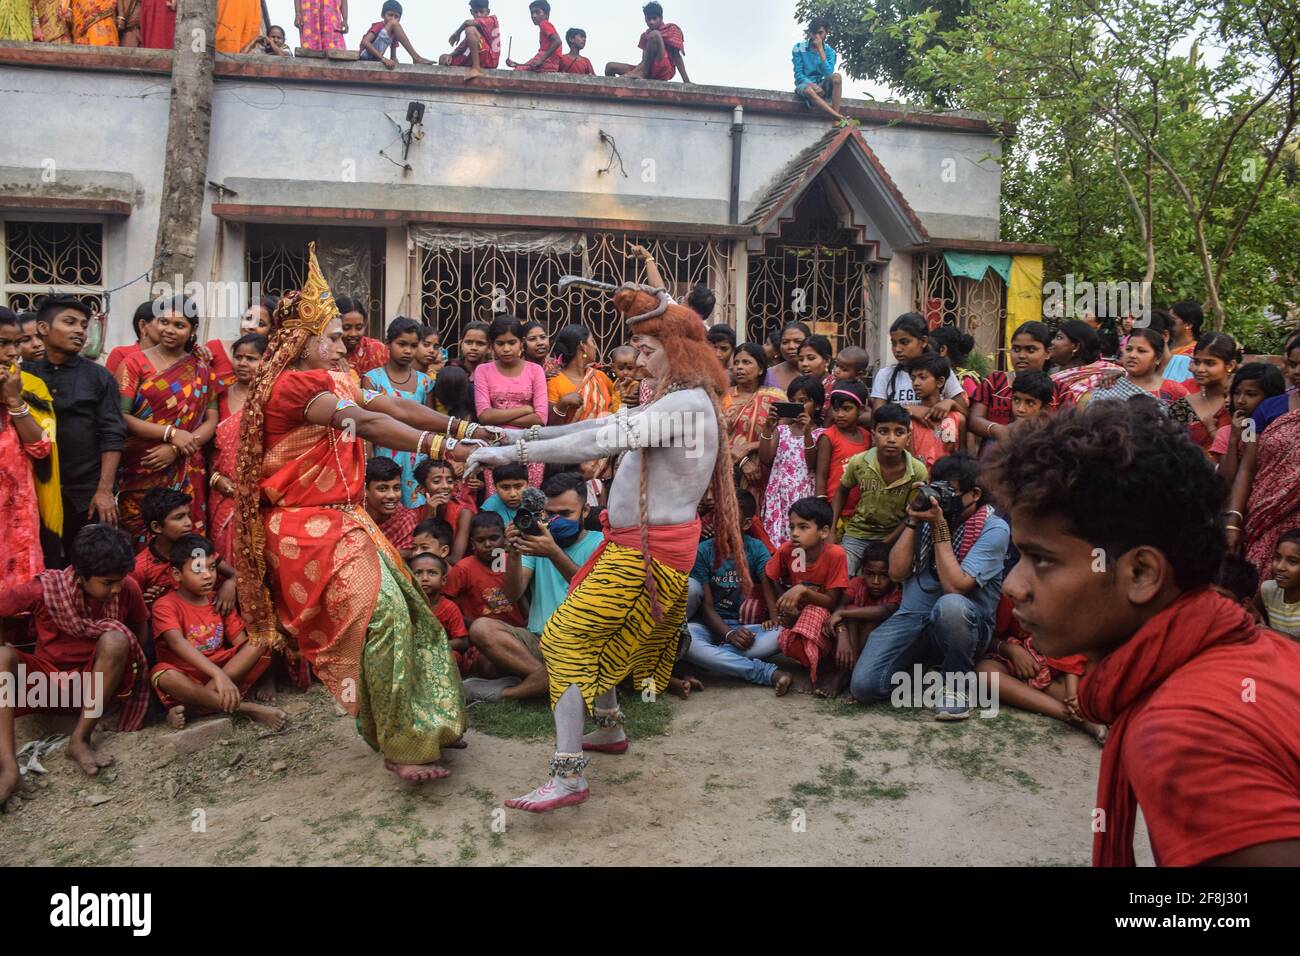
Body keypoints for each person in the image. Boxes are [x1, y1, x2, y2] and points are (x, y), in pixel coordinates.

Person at [466, 283, 746, 812]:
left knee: (567, 642)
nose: (637, 362)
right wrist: (507, 442)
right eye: (636, 350)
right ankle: (611, 729)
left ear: (678, 351)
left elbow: (600, 441)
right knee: (586, 632)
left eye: (647, 350)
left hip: (648, 552)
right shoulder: (679, 398)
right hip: (635, 546)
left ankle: (568, 777)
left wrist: (516, 446)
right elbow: (600, 425)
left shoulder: (685, 405)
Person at [985, 400, 1300, 866]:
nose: (1014, 585)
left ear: (1141, 573)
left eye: (1043, 560)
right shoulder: (1257, 650)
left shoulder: (1184, 729)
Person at [234, 244, 498, 783]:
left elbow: (395, 407)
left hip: (348, 521)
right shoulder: (291, 388)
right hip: (306, 529)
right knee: (380, 622)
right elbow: (367, 425)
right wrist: (443, 451)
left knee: (415, 617)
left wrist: (469, 430)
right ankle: (402, 744)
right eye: (331, 337)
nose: (343, 344)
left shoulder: (338, 377)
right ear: (300, 342)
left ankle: (430, 724)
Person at [848, 453, 1010, 718]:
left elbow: (955, 587)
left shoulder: (994, 529)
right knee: (864, 686)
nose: (940, 498)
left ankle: (956, 685)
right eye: (937, 488)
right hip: (914, 620)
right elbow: (897, 572)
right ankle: (929, 674)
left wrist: (939, 526)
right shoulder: (925, 516)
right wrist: (913, 518)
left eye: (950, 492)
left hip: (966, 625)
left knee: (951, 606)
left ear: (975, 494)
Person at [0, 524, 150, 805]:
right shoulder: (46, 588)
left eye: (120, 580)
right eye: (107, 583)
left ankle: (79, 739)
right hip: (44, 686)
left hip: (95, 687)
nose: (116, 588)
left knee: (117, 640)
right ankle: (9, 767)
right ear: (81, 576)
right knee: (2, 657)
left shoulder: (127, 588)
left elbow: (140, 635)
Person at [465, 471, 605, 703]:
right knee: (481, 629)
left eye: (566, 514)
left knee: (490, 667)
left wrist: (553, 553)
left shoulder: (600, 543)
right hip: (539, 639)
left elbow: (592, 593)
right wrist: (514, 552)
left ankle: (509, 693)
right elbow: (512, 595)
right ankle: (553, 682)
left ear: (585, 511)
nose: (556, 520)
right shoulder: (536, 541)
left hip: (581, 643)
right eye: (550, 514)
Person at [28, 295, 127, 566]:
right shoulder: (25, 375)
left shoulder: (99, 377)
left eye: (84, 325)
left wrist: (105, 491)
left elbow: (112, 434)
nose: (80, 331)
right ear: (43, 328)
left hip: (85, 493)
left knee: (88, 565)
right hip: (35, 488)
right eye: (69, 322)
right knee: (40, 563)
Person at [150, 534, 281, 730]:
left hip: (225, 671)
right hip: (189, 675)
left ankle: (192, 707)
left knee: (262, 639)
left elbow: (240, 644)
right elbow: (177, 643)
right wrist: (218, 676)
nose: (207, 575)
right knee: (162, 674)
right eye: (198, 569)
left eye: (211, 568)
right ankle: (245, 708)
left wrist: (261, 651)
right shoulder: (165, 605)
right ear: (177, 575)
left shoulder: (218, 600)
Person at [115, 295, 216, 544]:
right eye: (163, 322)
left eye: (179, 325)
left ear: (192, 330)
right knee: (139, 538)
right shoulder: (134, 363)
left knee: (185, 539)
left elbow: (211, 420)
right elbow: (121, 416)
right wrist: (170, 434)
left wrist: (177, 447)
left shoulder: (202, 369)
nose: (169, 330)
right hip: (142, 465)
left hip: (186, 464)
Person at [683, 490, 790, 695]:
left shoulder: (756, 548)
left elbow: (769, 581)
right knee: (688, 643)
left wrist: (776, 618)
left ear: (746, 524)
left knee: (783, 636)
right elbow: (706, 606)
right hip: (708, 626)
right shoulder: (704, 551)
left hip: (747, 630)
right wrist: (729, 634)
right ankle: (765, 672)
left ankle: (702, 662)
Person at [977, 595, 1103, 742]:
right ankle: (1071, 717)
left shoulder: (1065, 595)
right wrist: (1010, 650)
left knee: (1090, 694)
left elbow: (1073, 652)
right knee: (984, 672)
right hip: (1014, 659)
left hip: (1059, 665)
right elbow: (987, 636)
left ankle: (1080, 712)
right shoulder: (1012, 591)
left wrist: (1072, 694)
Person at [766, 497, 850, 695]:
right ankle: (810, 663)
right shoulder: (788, 550)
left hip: (825, 615)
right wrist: (775, 610)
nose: (794, 533)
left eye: (803, 527)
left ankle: (820, 672)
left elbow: (832, 601)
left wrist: (802, 590)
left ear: (824, 532)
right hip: (797, 613)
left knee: (813, 615)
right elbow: (768, 575)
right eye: (792, 526)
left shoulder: (835, 554)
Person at [833, 402, 928, 575]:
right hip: (858, 534)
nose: (891, 439)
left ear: (908, 437)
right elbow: (841, 490)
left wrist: (885, 543)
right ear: (874, 436)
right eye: (884, 431)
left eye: (899, 432)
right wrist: (832, 530)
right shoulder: (859, 462)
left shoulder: (917, 471)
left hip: (896, 536)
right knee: (841, 575)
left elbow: (912, 514)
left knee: (894, 578)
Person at [0, 308, 58, 590]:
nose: (13, 352)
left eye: (16, 343)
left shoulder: (27, 387)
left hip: (17, 519)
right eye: (3, 343)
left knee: (19, 598)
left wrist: (13, 399)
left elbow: (41, 447)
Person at [362, 317, 435, 507]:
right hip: (384, 455)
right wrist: (370, 464)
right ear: (388, 344)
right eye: (401, 344)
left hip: (416, 456)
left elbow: (430, 422)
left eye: (413, 345)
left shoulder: (424, 382)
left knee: (416, 509)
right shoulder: (373, 379)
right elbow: (367, 426)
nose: (408, 351)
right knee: (385, 506)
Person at [208, 333, 266, 561]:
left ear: (266, 361)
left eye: (251, 359)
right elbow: (208, 451)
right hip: (220, 491)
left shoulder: (270, 400)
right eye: (238, 357)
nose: (242, 363)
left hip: (256, 495)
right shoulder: (218, 397)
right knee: (221, 551)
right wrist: (215, 480)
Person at [132, 487, 238, 610]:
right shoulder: (141, 568)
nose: (188, 523)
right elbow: (134, 612)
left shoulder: (197, 549)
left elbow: (236, 574)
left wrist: (230, 584)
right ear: (157, 527)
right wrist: (148, 605)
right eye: (179, 517)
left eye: (188, 516)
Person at [475, 316, 549, 489]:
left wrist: (498, 417)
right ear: (492, 344)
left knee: (528, 505)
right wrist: (526, 409)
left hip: (530, 449)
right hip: (496, 448)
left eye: (512, 342)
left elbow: (540, 418)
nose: (506, 349)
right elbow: (484, 416)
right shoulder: (483, 371)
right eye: (500, 343)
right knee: (496, 504)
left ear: (521, 343)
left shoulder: (535, 371)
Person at [968, 321, 1060, 451]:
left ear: (1048, 353)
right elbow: (974, 420)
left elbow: (1069, 428)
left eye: (1031, 350)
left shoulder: (1060, 390)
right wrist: (999, 431)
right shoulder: (994, 381)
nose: (1021, 356)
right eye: (1016, 349)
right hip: (994, 457)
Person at [757, 375, 823, 548]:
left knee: (800, 542)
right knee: (776, 541)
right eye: (792, 401)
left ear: (817, 405)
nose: (797, 406)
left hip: (802, 495)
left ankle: (798, 573)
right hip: (778, 495)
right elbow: (765, 458)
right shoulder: (782, 430)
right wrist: (768, 427)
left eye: (803, 401)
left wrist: (807, 432)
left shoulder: (821, 434)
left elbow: (812, 464)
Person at [826, 540, 900, 684]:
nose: (876, 581)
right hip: (852, 641)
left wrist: (843, 614)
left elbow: (885, 611)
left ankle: (850, 674)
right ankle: (847, 672)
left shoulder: (896, 590)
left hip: (877, 646)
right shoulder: (857, 584)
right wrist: (842, 635)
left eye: (883, 575)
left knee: (867, 620)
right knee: (852, 614)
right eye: (870, 574)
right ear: (863, 572)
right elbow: (840, 606)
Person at [871, 313, 969, 420]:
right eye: (894, 343)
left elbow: (965, 415)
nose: (897, 349)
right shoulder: (885, 375)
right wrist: (908, 410)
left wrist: (950, 403)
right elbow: (877, 416)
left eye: (904, 342)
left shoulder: (941, 371)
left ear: (923, 341)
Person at [725, 342, 785, 513]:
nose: (739, 367)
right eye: (736, 363)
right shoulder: (723, 396)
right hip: (725, 468)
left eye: (746, 362)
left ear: (760, 369)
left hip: (761, 470)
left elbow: (782, 434)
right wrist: (743, 460)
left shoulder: (775, 397)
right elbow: (712, 436)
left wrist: (749, 447)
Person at [444, 512, 527, 630]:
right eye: (480, 540)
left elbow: (521, 596)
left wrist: (526, 623)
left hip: (516, 630)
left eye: (494, 538)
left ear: (504, 538)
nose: (488, 545)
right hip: (482, 633)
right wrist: (472, 627)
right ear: (472, 543)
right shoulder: (463, 568)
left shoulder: (512, 561)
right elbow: (449, 604)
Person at [815, 380, 872, 536]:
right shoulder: (829, 436)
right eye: (836, 409)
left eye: (847, 409)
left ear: (860, 410)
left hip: (860, 511)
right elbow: (821, 475)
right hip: (834, 512)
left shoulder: (867, 437)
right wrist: (822, 510)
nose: (839, 414)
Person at [1168, 332, 1239, 454]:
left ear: (1230, 365)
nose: (1200, 369)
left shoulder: (1241, 403)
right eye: (1196, 362)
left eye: (1210, 363)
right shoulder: (1182, 404)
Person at [1084, 327, 1187, 408]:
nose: (1132, 355)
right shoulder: (1108, 385)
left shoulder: (1175, 391)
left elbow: (1187, 430)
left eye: (1141, 351)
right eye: (1128, 349)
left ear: (1158, 358)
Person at [409, 552, 476, 675]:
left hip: (442, 652)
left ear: (444, 580)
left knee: (453, 656)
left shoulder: (449, 608)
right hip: (414, 653)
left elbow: (462, 642)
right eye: (417, 573)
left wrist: (432, 647)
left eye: (432, 573)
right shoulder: (407, 606)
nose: (424, 578)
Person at [546, 323, 619, 426]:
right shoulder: (554, 381)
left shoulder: (600, 377)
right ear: (583, 346)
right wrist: (562, 404)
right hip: (570, 440)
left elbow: (616, 405)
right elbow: (550, 426)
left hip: (603, 438)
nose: (594, 346)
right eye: (592, 341)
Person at [905, 353, 964, 468]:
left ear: (940, 382)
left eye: (922, 377)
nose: (916, 383)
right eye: (913, 378)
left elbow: (962, 455)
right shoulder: (909, 418)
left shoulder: (957, 419)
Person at [605, 2, 688, 83]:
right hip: (648, 70)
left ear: (661, 18)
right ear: (645, 19)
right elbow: (644, 60)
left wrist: (686, 81)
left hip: (663, 69)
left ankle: (642, 74)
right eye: (649, 19)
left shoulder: (670, 29)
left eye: (655, 18)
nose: (651, 22)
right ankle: (620, 93)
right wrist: (633, 72)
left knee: (655, 34)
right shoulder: (645, 35)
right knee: (610, 67)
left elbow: (677, 57)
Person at [1049, 319, 1122, 406]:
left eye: (1059, 337)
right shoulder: (1052, 373)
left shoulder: (1102, 379)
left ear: (1076, 346)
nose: (1052, 342)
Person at [416, 457, 474, 563]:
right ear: (422, 489)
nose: (445, 486)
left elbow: (455, 559)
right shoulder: (414, 514)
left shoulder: (464, 513)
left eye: (450, 481)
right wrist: (430, 515)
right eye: (437, 481)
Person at [364, 456, 420, 557]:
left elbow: (409, 553)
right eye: (382, 489)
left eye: (396, 488)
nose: (392, 495)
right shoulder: (353, 517)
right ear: (365, 490)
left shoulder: (406, 519)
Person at [793, 16, 844, 122]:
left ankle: (835, 121)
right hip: (805, 85)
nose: (817, 37)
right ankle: (837, 117)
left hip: (822, 85)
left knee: (837, 77)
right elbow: (798, 75)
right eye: (814, 33)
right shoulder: (798, 48)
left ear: (826, 32)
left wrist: (821, 50)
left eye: (820, 33)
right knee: (809, 91)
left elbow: (828, 74)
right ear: (810, 33)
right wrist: (812, 85)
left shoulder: (830, 52)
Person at [981, 371, 1054, 442]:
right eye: (1016, 400)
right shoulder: (1002, 436)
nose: (1020, 409)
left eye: (1030, 403)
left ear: (1044, 408)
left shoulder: (1051, 439)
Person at [359, 0, 431, 69]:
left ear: (399, 19)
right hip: (365, 55)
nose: (392, 18)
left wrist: (399, 67)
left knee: (395, 26)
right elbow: (365, 42)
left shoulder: (395, 34)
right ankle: (416, 58)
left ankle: (416, 58)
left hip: (375, 59)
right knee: (394, 24)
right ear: (383, 15)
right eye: (390, 15)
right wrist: (383, 59)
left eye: (396, 17)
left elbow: (393, 57)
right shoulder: (379, 25)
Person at [442, 0, 500, 75]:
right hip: (474, 56)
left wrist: (458, 32)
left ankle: (476, 68)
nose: (478, 15)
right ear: (471, 12)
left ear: (488, 12)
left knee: (470, 29)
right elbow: (461, 48)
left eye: (481, 11)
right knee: (443, 58)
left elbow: (467, 22)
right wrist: (450, 55)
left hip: (489, 59)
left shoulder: (491, 20)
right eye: (476, 12)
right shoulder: (474, 34)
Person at [1261, 529, 1300, 640]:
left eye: (1292, 561)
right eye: (1277, 558)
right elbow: (1256, 619)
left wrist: (1271, 633)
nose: (1280, 567)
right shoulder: (1268, 590)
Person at [106, 301, 161, 376]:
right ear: (143, 325)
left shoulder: (172, 359)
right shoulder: (121, 354)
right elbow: (111, 386)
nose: (168, 329)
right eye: (163, 322)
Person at [336, 297, 387, 378]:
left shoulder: (378, 349)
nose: (353, 334)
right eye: (346, 328)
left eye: (359, 327)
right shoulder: (327, 354)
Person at [507, 0, 562, 72]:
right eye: (532, 13)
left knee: (515, 74)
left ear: (546, 14)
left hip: (548, 61)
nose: (533, 16)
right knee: (518, 70)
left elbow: (558, 41)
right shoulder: (545, 26)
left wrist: (541, 60)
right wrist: (516, 65)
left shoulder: (544, 24)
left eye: (537, 12)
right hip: (550, 63)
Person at [764, 321, 810, 392]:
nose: (791, 347)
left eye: (798, 341)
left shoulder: (818, 373)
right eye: (785, 342)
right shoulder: (768, 375)